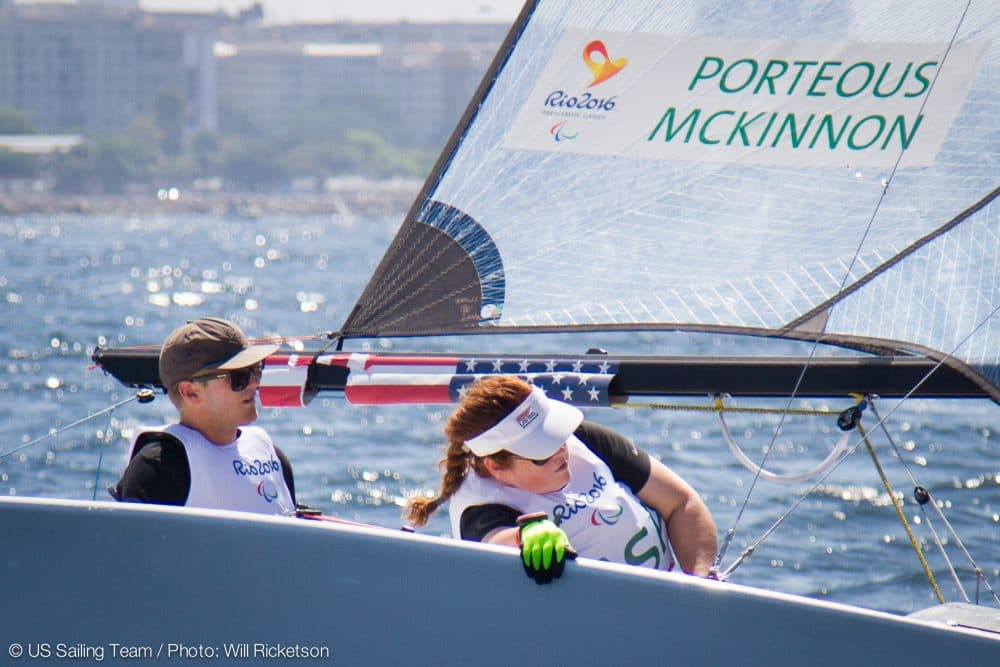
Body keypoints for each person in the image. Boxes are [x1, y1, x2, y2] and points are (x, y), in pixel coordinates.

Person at [406, 376, 718, 584]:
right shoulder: (480, 506)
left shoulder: (581, 439)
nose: (561, 452)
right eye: (541, 451)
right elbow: (493, 539)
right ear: (496, 467)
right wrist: (525, 537)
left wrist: (699, 586)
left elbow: (682, 504)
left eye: (558, 436)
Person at [112, 317, 298, 516]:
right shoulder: (158, 467)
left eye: (256, 369)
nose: (254, 383)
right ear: (191, 392)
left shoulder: (273, 457)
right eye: (239, 377)